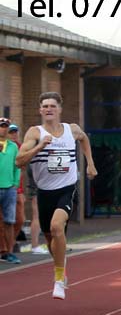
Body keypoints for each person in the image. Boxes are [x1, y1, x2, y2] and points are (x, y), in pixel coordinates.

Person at [15, 92, 97, 299]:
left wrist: (90, 164)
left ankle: (59, 279)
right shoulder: (35, 133)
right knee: (52, 239)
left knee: (56, 227)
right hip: (45, 192)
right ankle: (61, 267)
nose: (49, 109)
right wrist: (40, 147)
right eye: (45, 106)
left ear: (60, 109)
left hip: (67, 188)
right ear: (40, 110)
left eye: (52, 106)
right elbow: (19, 161)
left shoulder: (72, 129)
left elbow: (84, 139)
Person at [0, 117, 21, 264]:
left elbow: (17, 166)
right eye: (1, 126)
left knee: (9, 221)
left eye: (6, 126)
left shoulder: (13, 146)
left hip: (9, 188)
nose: (4, 128)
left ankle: (10, 252)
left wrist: (14, 183)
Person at [9, 124, 25, 254]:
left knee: (20, 219)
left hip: (17, 188)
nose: (13, 134)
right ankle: (8, 246)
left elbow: (22, 168)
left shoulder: (20, 147)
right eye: (11, 132)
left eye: (15, 132)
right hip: (5, 186)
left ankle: (12, 241)